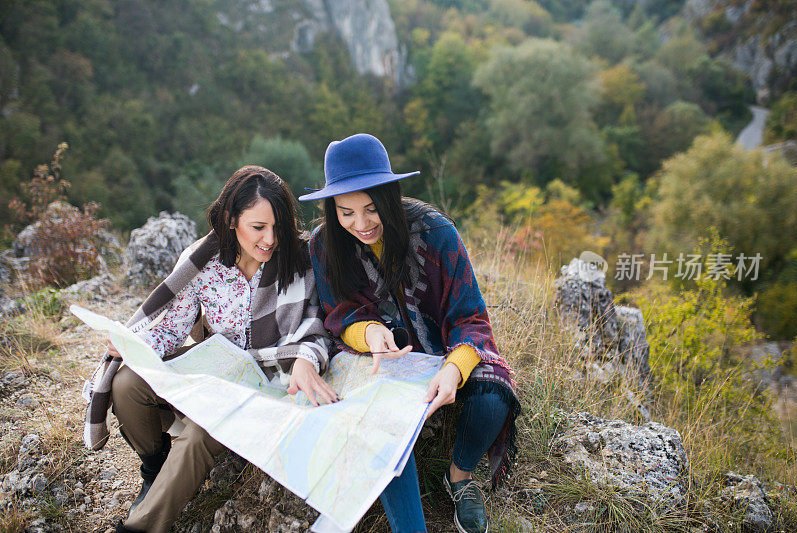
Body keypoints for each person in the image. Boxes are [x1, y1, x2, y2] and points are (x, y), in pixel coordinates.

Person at [81, 166, 335, 533]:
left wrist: (307, 358)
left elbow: (316, 323)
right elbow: (171, 327)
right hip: (214, 372)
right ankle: (154, 468)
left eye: (278, 227)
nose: (270, 239)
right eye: (258, 227)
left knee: (199, 434)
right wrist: (133, 345)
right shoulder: (204, 262)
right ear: (232, 220)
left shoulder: (301, 259)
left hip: (270, 382)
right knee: (125, 384)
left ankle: (139, 527)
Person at [299, 134, 520, 533]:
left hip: (443, 356)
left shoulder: (435, 231)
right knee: (383, 431)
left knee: (493, 395)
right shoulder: (323, 246)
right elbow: (338, 315)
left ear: (389, 195)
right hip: (379, 365)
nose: (360, 224)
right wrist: (369, 334)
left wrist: (454, 369)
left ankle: (458, 476)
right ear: (332, 209)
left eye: (371, 208)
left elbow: (471, 317)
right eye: (346, 213)